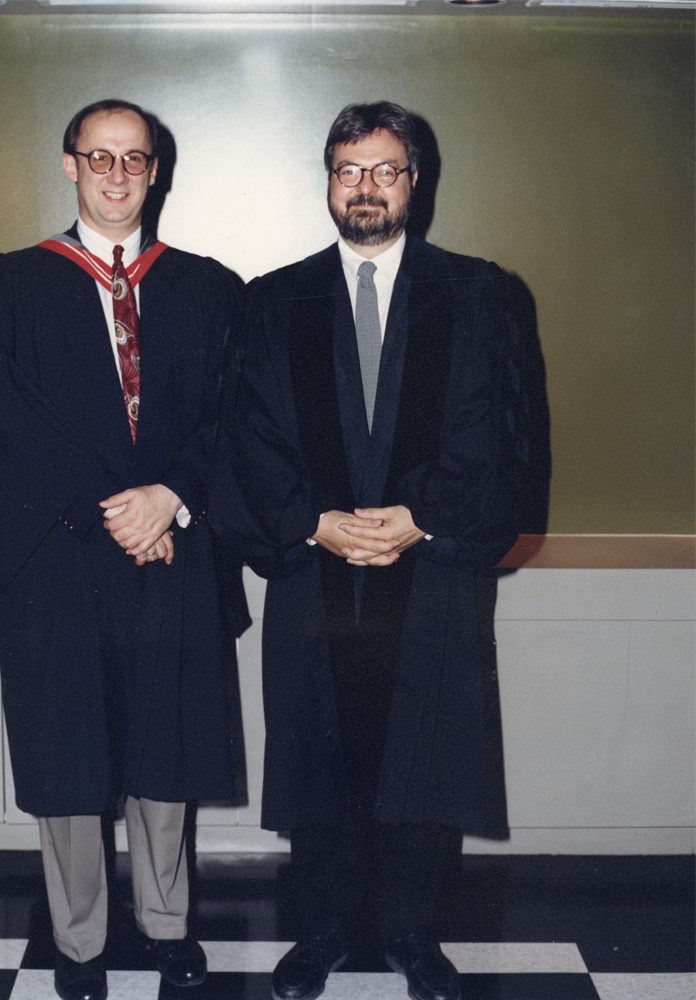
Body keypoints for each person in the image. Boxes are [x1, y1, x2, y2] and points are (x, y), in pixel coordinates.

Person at [213, 101, 529, 1000]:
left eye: (385, 170)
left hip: (431, 576)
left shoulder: (477, 295)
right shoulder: (275, 301)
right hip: (315, 574)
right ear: (327, 179)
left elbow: (500, 436)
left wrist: (418, 516)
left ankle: (414, 937)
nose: (366, 189)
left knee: (425, 760)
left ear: (415, 182)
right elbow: (249, 440)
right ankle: (316, 934)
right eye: (350, 171)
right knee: (319, 758)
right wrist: (314, 519)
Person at [0, 99, 249, 1000]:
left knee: (167, 749)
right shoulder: (11, 280)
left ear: (156, 170)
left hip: (174, 551)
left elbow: (229, 420)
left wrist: (170, 499)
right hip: (61, 554)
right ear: (68, 165)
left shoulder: (209, 287)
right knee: (69, 755)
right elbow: (9, 422)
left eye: (135, 158)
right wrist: (115, 508)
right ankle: (78, 940)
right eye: (99, 157)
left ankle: (167, 926)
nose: (117, 174)